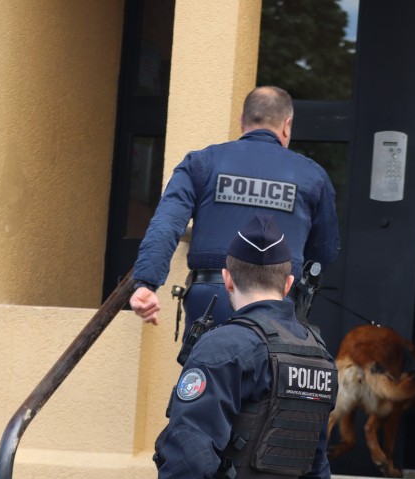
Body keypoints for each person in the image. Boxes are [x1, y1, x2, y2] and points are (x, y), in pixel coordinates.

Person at [125, 214, 338, 479]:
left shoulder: (224, 346)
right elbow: (317, 472)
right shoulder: (318, 354)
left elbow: (190, 461)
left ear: (227, 278)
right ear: (288, 283)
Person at [129, 85, 340, 336]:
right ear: (287, 125)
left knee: (206, 362)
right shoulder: (312, 175)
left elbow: (167, 224)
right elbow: (324, 251)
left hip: (210, 300)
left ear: (242, 121)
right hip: (276, 305)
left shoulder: (201, 163)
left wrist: (146, 283)